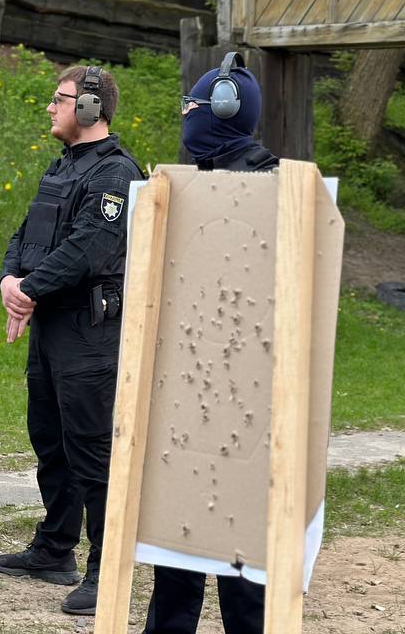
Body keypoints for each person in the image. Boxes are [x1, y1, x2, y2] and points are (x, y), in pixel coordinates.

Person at [0, 65, 143, 616]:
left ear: (90, 109)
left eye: (61, 99)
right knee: (50, 440)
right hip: (52, 328)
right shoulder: (64, 168)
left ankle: (107, 571)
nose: (51, 108)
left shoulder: (116, 174)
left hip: (89, 332)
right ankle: (56, 550)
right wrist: (11, 281)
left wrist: (27, 291)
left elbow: (89, 250)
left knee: (92, 451)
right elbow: (24, 234)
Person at [144, 52, 270, 634]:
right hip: (187, 386)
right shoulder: (179, 187)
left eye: (192, 107)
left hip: (246, 394)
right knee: (180, 537)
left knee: (242, 548)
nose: (187, 117)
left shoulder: (275, 189)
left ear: (220, 111)